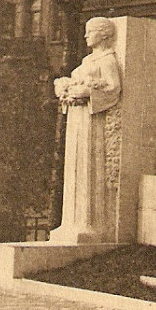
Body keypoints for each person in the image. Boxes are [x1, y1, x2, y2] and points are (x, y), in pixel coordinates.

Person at [50, 17, 122, 243]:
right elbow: (75, 83)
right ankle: (71, 223)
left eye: (90, 32)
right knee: (74, 165)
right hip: (77, 120)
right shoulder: (88, 59)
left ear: (103, 35)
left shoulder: (107, 60)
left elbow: (113, 88)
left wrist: (87, 93)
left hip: (92, 121)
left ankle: (90, 224)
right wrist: (65, 89)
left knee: (88, 166)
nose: (85, 36)